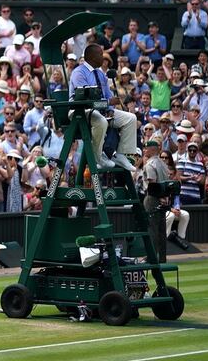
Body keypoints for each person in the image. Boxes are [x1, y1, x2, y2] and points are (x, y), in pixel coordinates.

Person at [69, 44, 139, 172]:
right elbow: (86, 100)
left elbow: (108, 94)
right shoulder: (78, 73)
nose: (103, 57)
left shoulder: (100, 73)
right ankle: (98, 156)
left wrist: (110, 108)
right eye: (100, 54)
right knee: (100, 121)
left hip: (100, 110)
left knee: (130, 118)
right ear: (91, 56)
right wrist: (107, 103)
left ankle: (121, 154)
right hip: (79, 110)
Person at [142, 139, 170, 263]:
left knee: (152, 229)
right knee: (161, 230)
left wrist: (159, 197)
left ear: (152, 149)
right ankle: (162, 258)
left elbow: (152, 184)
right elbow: (168, 184)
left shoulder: (150, 164)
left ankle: (152, 257)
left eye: (146, 148)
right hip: (164, 198)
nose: (144, 150)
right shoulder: (163, 164)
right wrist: (165, 198)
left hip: (153, 198)